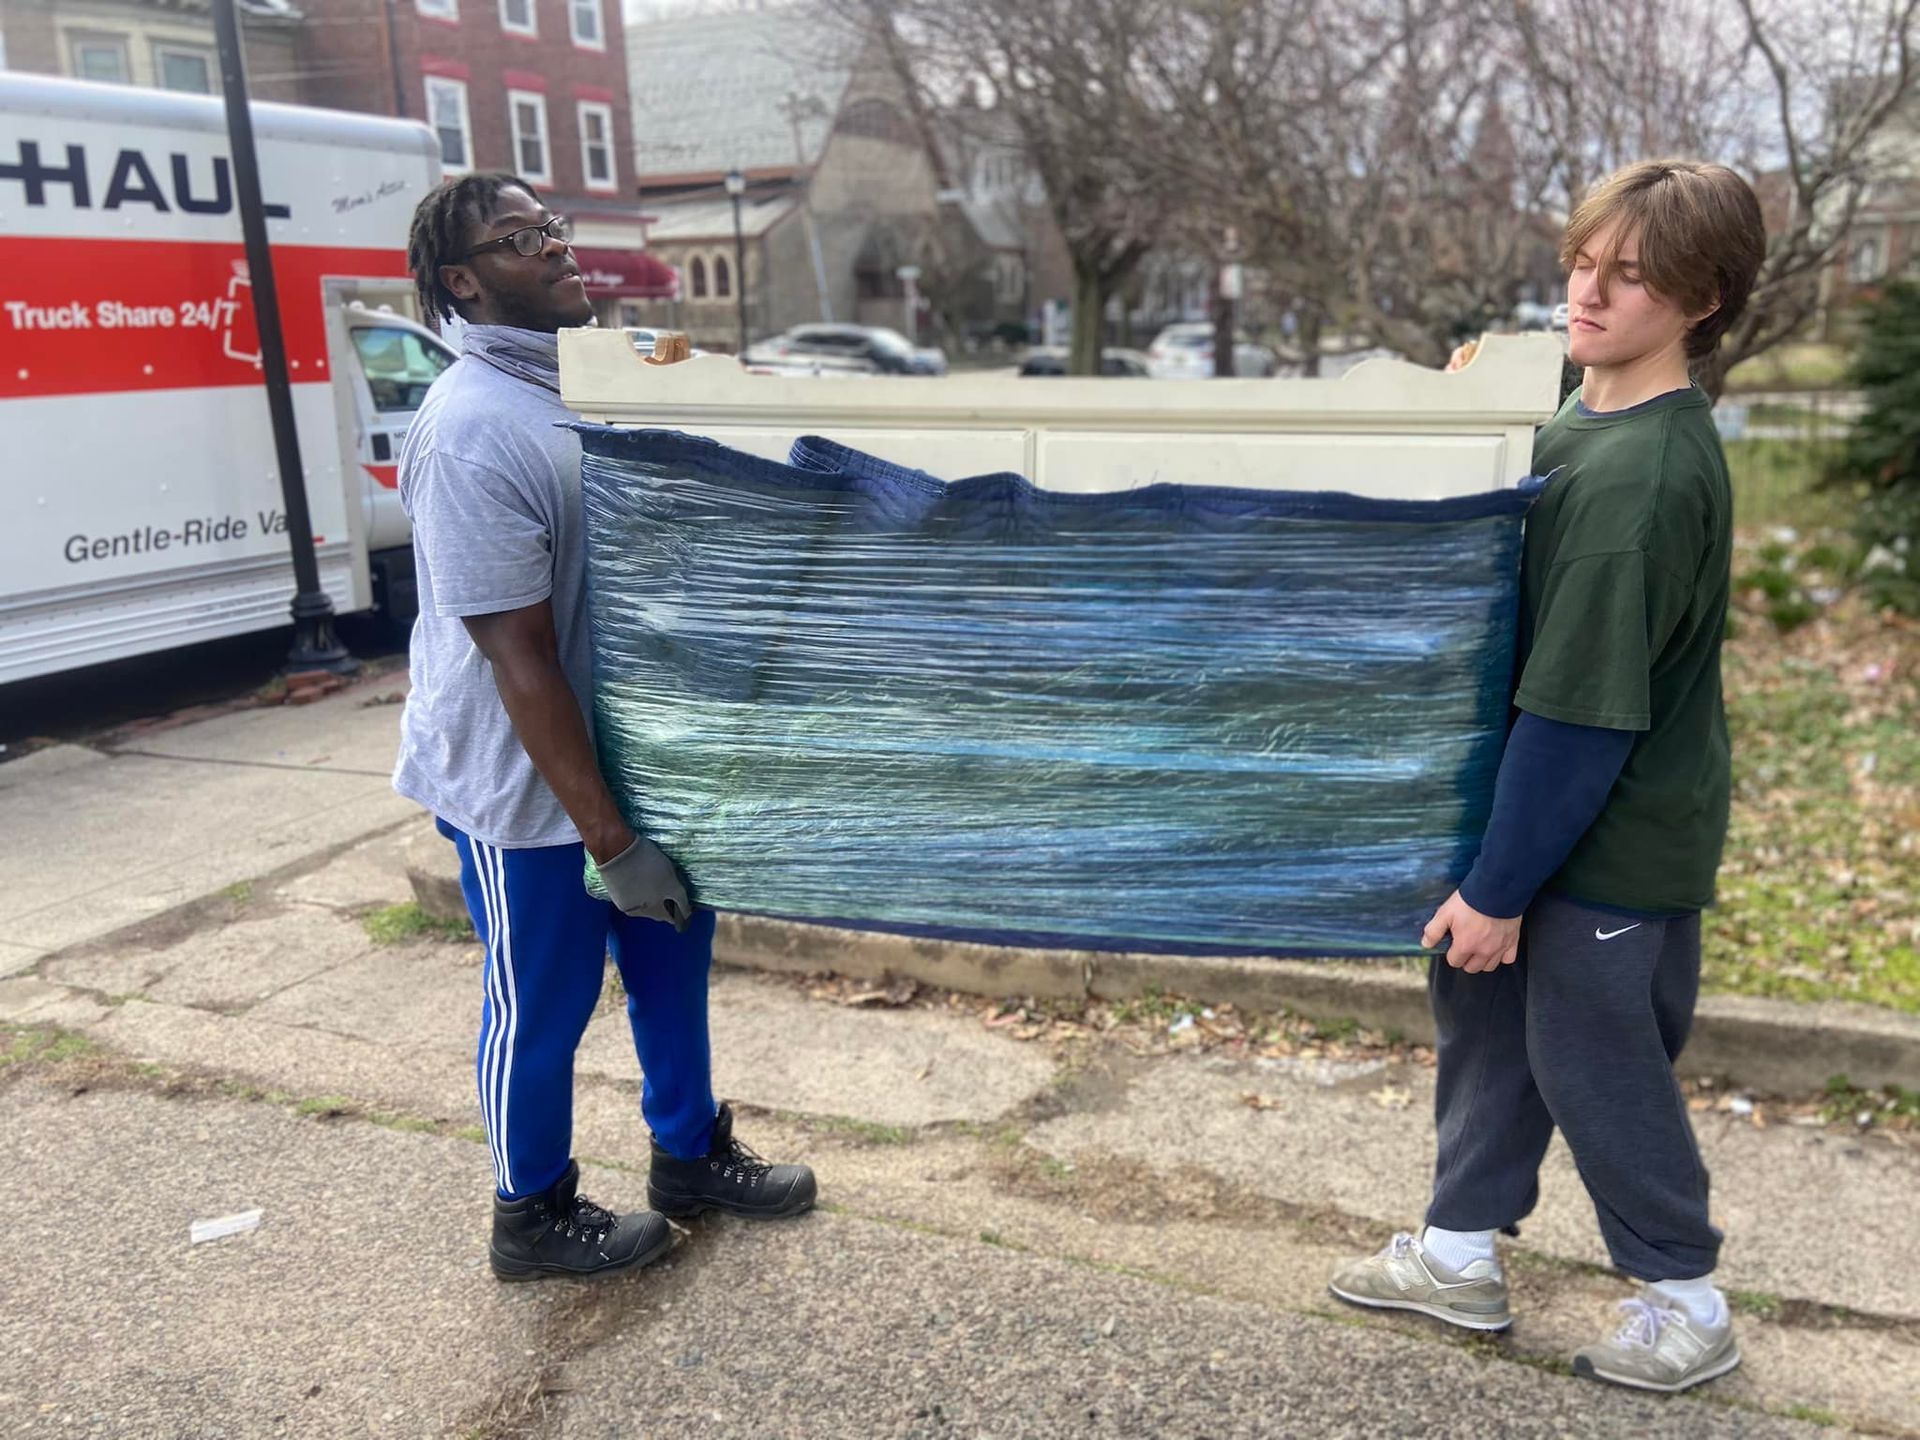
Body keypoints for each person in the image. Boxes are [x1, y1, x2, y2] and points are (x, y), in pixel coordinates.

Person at [1329, 160, 1767, 1393]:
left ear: (1703, 300)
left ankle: (1687, 1300)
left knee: (1593, 1062)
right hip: (1524, 817)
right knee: (1489, 1033)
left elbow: (1581, 717)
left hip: (1607, 836)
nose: (1591, 291)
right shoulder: (1576, 422)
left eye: (1634, 277)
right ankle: (1460, 1253)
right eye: (1587, 260)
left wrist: (1503, 886)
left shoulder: (1647, 479)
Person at [394, 172, 815, 1282]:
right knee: (543, 1003)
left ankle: (689, 1155)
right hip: (528, 789)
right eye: (519, 238)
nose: (556, 246)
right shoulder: (474, 429)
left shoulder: (586, 382)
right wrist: (611, 843)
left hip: (645, 755)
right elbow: (518, 656)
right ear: (464, 281)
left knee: (672, 968)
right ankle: (528, 1212)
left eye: (553, 228)